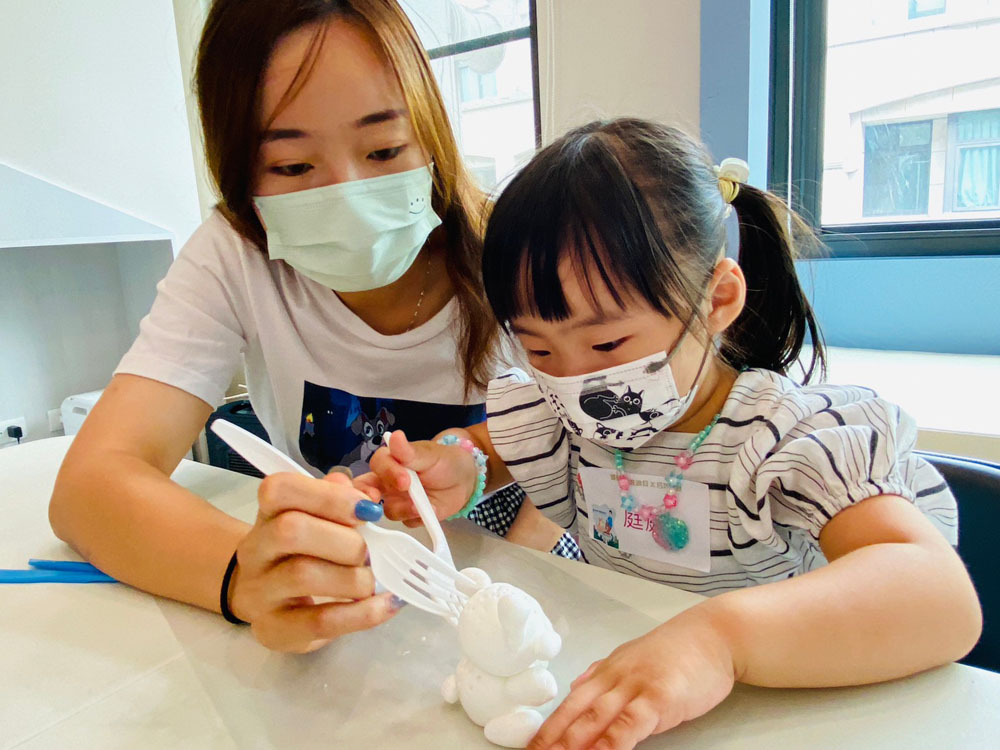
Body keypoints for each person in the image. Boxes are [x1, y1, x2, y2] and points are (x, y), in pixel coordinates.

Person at [360, 118, 983, 750]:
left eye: (608, 344)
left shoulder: (783, 438)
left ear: (716, 300)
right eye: (539, 350)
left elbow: (937, 595)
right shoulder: (559, 414)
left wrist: (720, 641)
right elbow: (490, 448)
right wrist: (458, 464)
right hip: (628, 688)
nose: (574, 381)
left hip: (790, 709)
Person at [47, 0, 547, 654]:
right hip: (347, 607)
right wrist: (246, 576)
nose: (348, 195)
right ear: (239, 172)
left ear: (431, 134)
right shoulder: (233, 255)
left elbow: (603, 438)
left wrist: (520, 579)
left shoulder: (524, 249)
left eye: (384, 149)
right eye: (292, 166)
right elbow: (90, 486)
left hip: (511, 588)